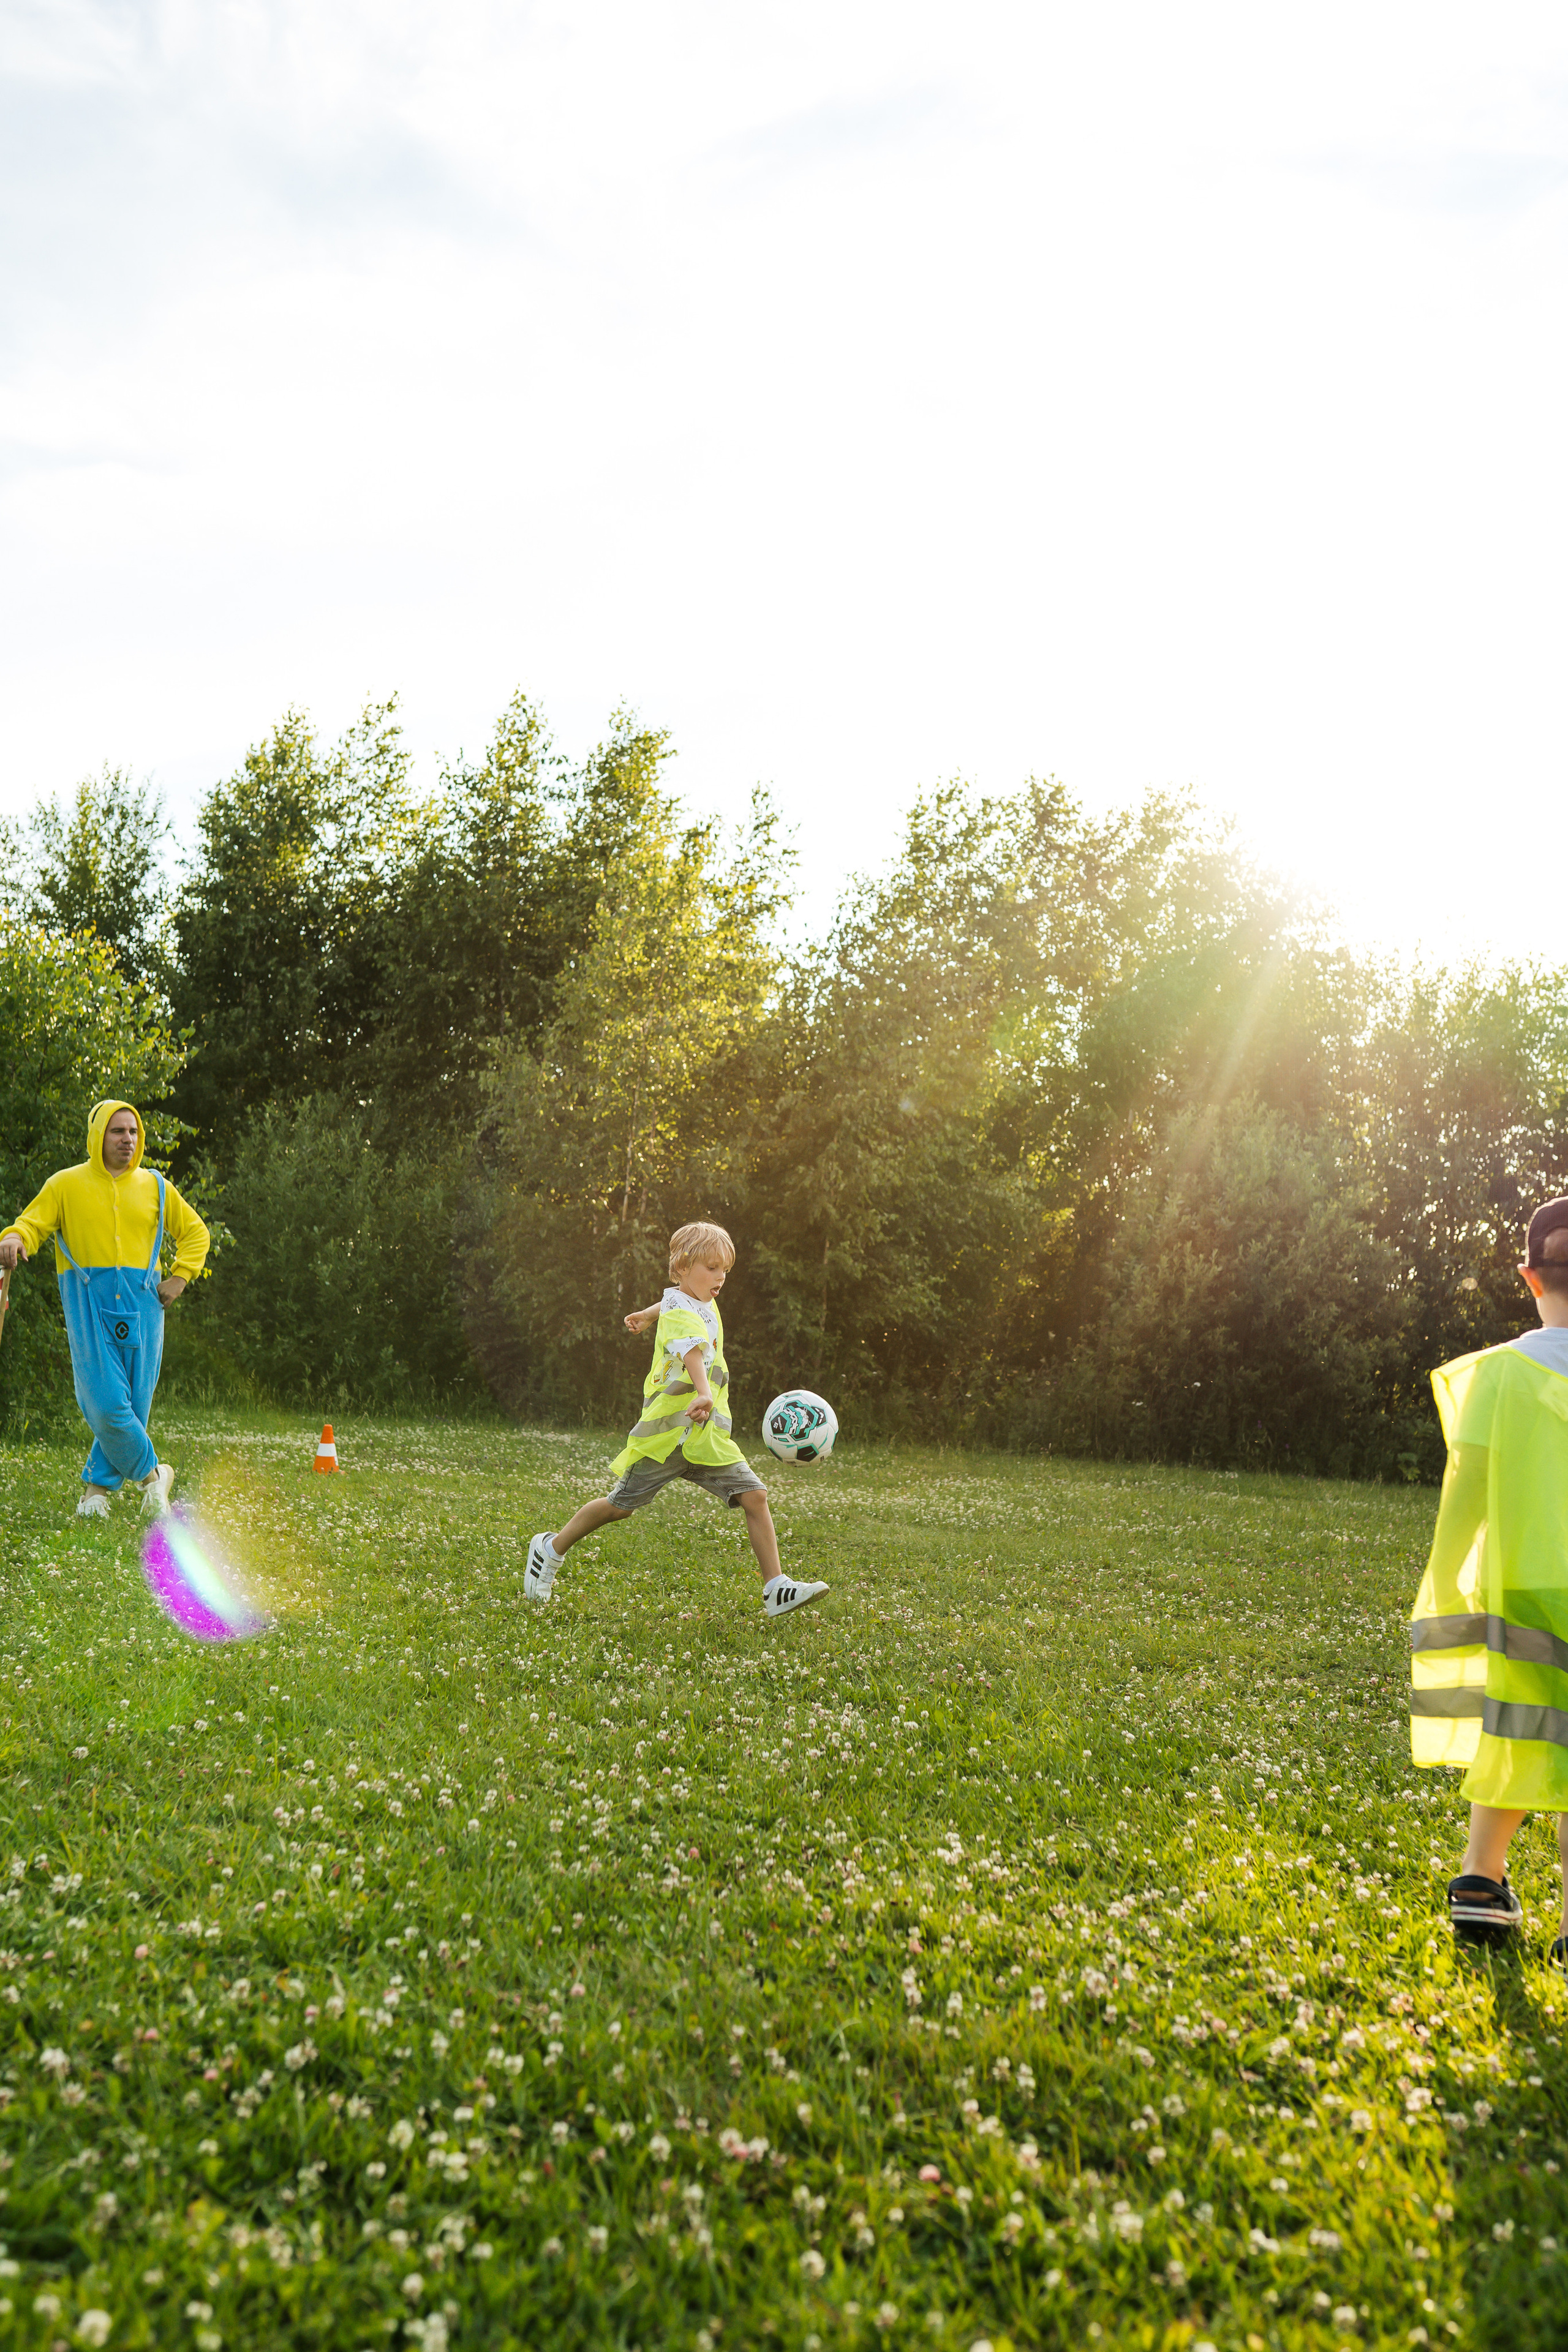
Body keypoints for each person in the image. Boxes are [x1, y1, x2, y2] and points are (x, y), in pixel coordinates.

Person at [523, 1219, 827, 1619]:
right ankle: (550, 1549)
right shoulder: (684, 1316)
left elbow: (671, 1302)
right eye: (712, 1268)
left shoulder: (693, 1300)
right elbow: (693, 1354)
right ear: (682, 1266)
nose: (720, 1277)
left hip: (705, 1440)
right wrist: (703, 1392)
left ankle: (775, 1588)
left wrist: (647, 1316)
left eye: (725, 1270)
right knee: (620, 1506)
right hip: (667, 1438)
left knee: (755, 1496)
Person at [1411, 1196, 1568, 1958]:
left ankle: (1481, 1876)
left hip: (1523, 1589)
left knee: (1520, 1723)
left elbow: (1465, 1498)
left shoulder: (1497, 1377)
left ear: (1529, 1277)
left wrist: (1452, 1579)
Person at [0, 1099, 209, 1519]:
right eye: (117, 1131)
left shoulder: (156, 1187)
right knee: (103, 1400)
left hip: (144, 1303)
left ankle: (95, 1493)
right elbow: (31, 1224)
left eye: (133, 1132)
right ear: (98, 1135)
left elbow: (195, 1232)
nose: (127, 1140)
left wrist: (180, 1277)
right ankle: (155, 1477)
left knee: (134, 1403)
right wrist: (15, 1238)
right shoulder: (65, 1184)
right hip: (87, 1300)